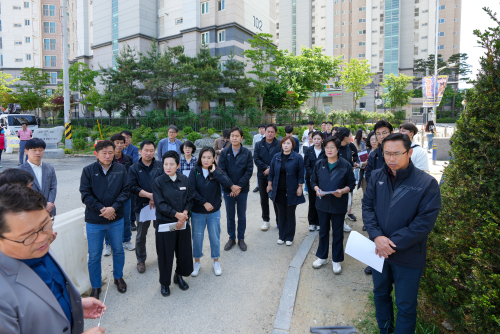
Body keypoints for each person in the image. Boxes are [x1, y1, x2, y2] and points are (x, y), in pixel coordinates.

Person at [0, 184, 107, 334]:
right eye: (29, 236)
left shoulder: (37, 248)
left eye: (46, 224)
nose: (44, 238)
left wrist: (72, 305)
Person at [362, 133, 441, 334]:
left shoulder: (426, 183)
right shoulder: (376, 176)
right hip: (378, 251)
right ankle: (385, 330)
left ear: (410, 152)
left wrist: (390, 243)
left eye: (397, 153)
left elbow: (423, 223)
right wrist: (377, 237)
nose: (391, 159)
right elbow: (367, 208)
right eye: (387, 153)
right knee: (380, 295)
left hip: (408, 255)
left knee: (405, 305)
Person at [79, 140, 130, 299]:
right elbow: (85, 195)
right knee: (94, 255)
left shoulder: (121, 169)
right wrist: (102, 209)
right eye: (104, 153)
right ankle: (95, 286)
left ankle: (118, 277)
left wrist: (113, 208)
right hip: (95, 219)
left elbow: (126, 191)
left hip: (116, 218)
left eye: (110, 152)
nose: (108, 156)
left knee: (118, 250)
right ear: (96, 154)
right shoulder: (88, 171)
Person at [310, 136, 356, 274]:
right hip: (322, 204)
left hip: (338, 204)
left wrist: (342, 191)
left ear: (337, 149)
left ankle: (336, 260)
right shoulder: (320, 164)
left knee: (337, 232)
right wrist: (317, 189)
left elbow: (351, 184)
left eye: (332, 147)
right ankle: (322, 257)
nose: (329, 150)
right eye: (327, 147)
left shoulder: (345, 165)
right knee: (323, 231)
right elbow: (313, 181)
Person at [152, 151, 195, 297]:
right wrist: (177, 215)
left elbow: (190, 198)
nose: (168, 167)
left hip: (182, 223)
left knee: (183, 252)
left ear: (177, 165)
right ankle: (165, 283)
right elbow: (160, 204)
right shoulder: (158, 182)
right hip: (165, 224)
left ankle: (179, 276)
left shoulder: (184, 179)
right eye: (165, 164)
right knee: (165, 255)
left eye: (171, 164)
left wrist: (185, 213)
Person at [189, 147, 235, 277]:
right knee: (197, 238)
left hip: (214, 212)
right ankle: (197, 262)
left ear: (214, 159)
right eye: (204, 157)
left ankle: (216, 261)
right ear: (200, 158)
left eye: (209, 157)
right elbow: (191, 190)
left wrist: (215, 172)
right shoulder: (195, 171)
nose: (206, 160)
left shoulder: (217, 171)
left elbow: (227, 183)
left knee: (215, 237)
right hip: (198, 211)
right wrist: (204, 202)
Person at [128, 140, 164, 274]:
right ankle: (141, 259)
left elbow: (164, 183)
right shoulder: (134, 168)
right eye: (146, 150)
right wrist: (150, 196)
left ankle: (162, 256)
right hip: (141, 205)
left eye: (151, 150)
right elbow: (132, 187)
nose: (149, 153)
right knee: (141, 234)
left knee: (160, 231)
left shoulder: (160, 166)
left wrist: (156, 197)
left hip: (159, 205)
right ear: (140, 151)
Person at [218, 127, 254, 252]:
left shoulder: (247, 153)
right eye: (232, 135)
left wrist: (238, 186)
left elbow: (249, 171)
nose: (234, 138)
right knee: (230, 215)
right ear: (229, 137)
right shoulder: (224, 152)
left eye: (237, 136)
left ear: (241, 138)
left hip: (242, 190)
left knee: (241, 215)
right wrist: (231, 186)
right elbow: (221, 171)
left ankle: (241, 239)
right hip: (228, 190)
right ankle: (231, 238)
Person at [267, 136, 305, 246]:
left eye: (288, 143)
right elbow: (271, 173)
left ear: (292, 145)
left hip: (292, 190)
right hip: (278, 190)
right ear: (281, 145)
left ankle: (289, 237)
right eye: (284, 143)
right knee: (281, 214)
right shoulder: (276, 157)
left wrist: (300, 187)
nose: (286, 145)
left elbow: (301, 174)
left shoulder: (297, 157)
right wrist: (269, 185)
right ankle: (281, 236)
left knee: (290, 214)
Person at [103, 134, 134, 255]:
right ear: (112, 143)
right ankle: (108, 244)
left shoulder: (128, 158)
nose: (120, 145)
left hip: (125, 194)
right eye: (117, 142)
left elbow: (130, 176)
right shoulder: (107, 158)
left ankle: (126, 240)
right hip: (109, 195)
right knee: (108, 220)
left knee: (126, 219)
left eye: (122, 142)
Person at [18, 138, 58, 217]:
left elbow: (53, 188)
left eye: (40, 150)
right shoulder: (20, 171)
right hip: (30, 212)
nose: (37, 153)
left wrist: (49, 204)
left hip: (49, 211)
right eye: (34, 150)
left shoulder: (49, 168)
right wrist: (40, 206)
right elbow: (20, 193)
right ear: (27, 151)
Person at [253, 124, 281, 231]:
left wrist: (271, 169)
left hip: (276, 176)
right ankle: (266, 220)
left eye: (272, 132)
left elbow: (281, 158)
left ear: (275, 133)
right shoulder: (259, 144)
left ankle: (279, 221)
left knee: (276, 198)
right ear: (265, 132)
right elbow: (256, 158)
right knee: (264, 198)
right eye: (268, 131)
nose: (269, 133)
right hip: (262, 175)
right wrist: (266, 167)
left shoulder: (279, 144)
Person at [335, 128, 359, 230]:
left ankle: (342, 222)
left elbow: (349, 161)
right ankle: (336, 224)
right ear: (345, 138)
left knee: (348, 203)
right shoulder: (335, 149)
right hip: (337, 181)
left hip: (348, 180)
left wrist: (353, 164)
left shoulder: (349, 147)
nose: (351, 137)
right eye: (350, 135)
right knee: (337, 204)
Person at [304, 131, 325, 231]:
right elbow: (307, 165)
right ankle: (312, 222)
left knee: (321, 201)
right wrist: (313, 176)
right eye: (314, 138)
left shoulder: (325, 150)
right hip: (311, 179)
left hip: (323, 179)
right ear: (311, 139)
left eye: (318, 139)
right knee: (312, 201)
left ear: (322, 139)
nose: (316, 141)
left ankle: (319, 222)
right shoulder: (309, 150)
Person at [121, 130, 139, 231]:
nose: (126, 139)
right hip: (118, 178)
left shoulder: (134, 149)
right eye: (124, 137)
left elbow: (135, 162)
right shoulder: (117, 148)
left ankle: (132, 221)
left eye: (128, 137)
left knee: (132, 200)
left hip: (130, 177)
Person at [252, 124, 266, 193]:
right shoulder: (255, 137)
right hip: (258, 157)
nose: (261, 130)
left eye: (262, 128)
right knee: (258, 171)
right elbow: (254, 147)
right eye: (260, 128)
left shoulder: (267, 136)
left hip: (266, 157)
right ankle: (258, 186)